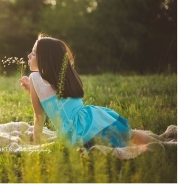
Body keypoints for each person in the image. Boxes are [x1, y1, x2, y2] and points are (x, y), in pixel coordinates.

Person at [19, 33, 162, 149]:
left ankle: (161, 144)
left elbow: (39, 116)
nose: (29, 56)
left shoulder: (34, 77)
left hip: (75, 133)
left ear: (45, 60)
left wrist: (36, 144)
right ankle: (164, 143)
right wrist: (32, 90)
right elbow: (53, 98)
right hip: (92, 119)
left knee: (114, 142)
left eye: (33, 53)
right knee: (128, 136)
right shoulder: (65, 76)